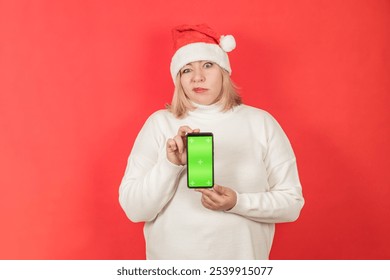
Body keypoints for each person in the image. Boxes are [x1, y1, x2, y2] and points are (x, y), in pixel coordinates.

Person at [119, 24, 304, 260]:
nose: (198, 77)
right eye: (187, 70)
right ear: (179, 79)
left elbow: (291, 204)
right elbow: (135, 210)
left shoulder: (261, 123)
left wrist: (237, 202)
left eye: (207, 65)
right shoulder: (158, 124)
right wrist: (170, 165)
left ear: (223, 71)